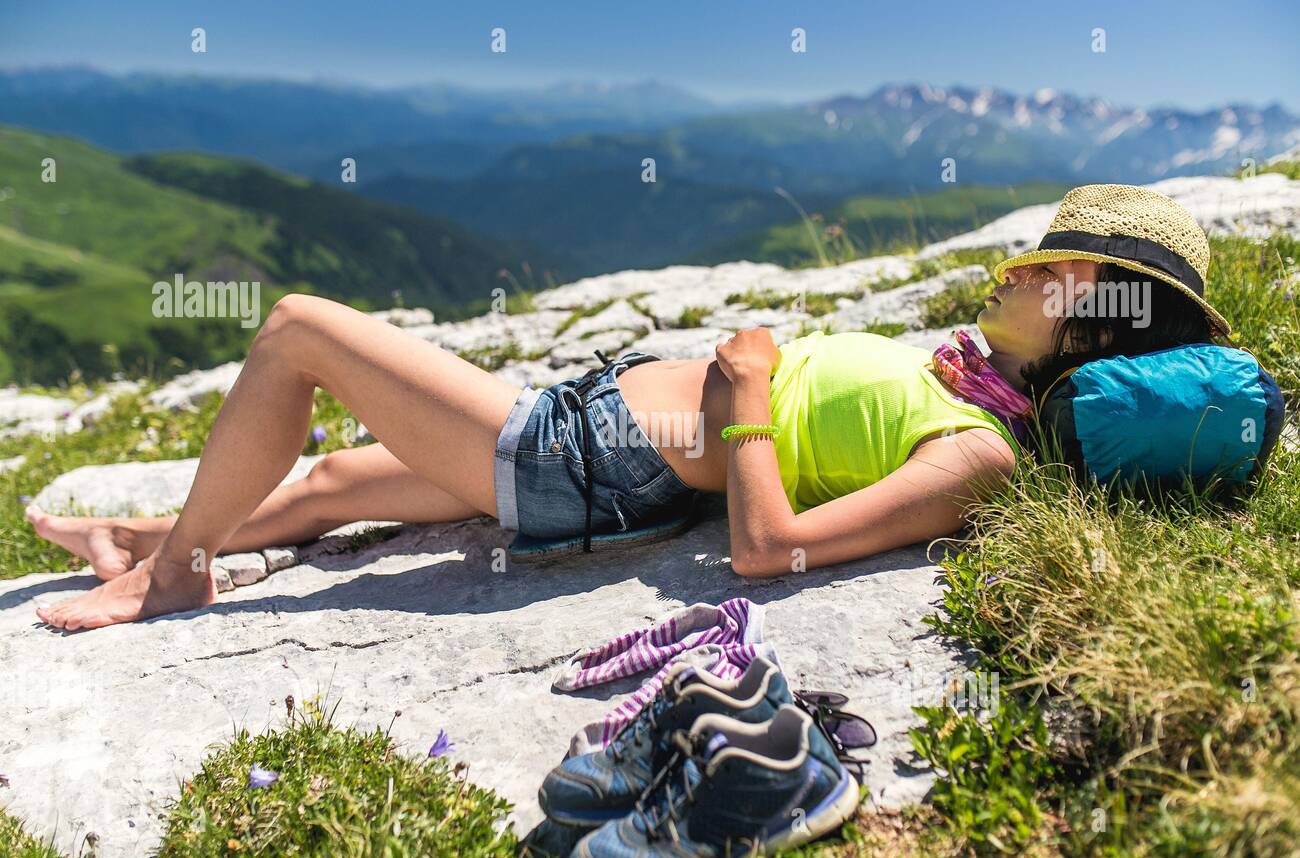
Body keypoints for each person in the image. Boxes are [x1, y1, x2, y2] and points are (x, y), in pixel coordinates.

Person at [28, 184, 1235, 631]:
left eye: (1050, 269)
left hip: (579, 460)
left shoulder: (976, 451)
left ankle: (177, 566)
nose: (1018, 267)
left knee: (297, 327)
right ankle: (132, 540)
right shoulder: (962, 372)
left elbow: (772, 550)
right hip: (583, 422)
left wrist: (750, 392)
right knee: (337, 487)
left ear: (1093, 316)